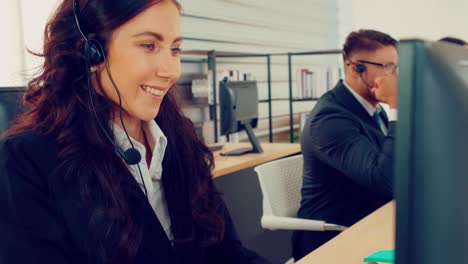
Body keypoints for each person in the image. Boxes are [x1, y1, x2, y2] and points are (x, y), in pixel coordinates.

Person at [0, 1, 270, 263]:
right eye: (149, 45)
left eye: (175, 49)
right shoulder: (26, 159)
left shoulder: (178, 137)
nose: (171, 70)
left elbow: (225, 254)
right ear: (90, 52)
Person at [292, 29, 399, 260]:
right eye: (388, 67)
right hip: (335, 238)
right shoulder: (330, 120)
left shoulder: (373, 109)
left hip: (370, 219)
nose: (395, 76)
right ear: (356, 68)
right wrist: (397, 106)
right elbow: (385, 180)